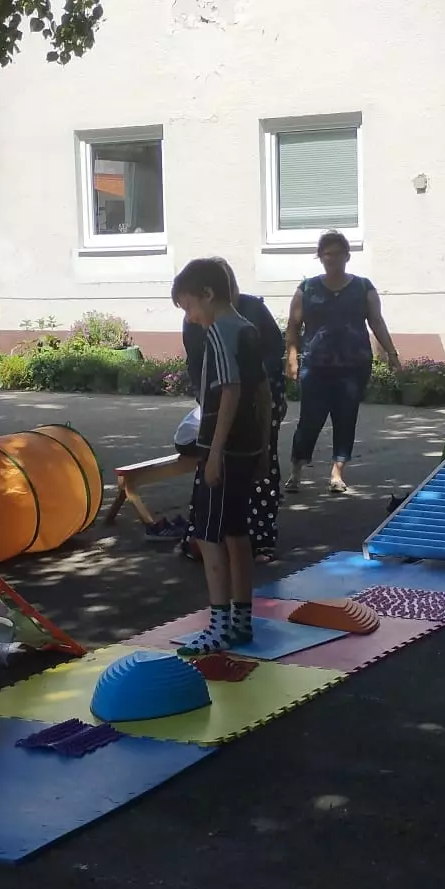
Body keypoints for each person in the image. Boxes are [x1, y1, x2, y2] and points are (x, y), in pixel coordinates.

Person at [171, 257, 271, 654]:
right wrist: (264, 447)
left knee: (208, 535)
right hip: (246, 447)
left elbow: (231, 391)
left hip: (224, 449)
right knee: (236, 532)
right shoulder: (247, 328)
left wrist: (213, 454)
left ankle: (218, 626)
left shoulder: (219, 331)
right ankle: (241, 622)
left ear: (208, 294)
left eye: (189, 307)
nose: (191, 318)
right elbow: (263, 392)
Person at [179, 257, 288, 563]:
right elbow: (196, 360)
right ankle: (204, 535)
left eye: (189, 308)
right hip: (221, 410)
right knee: (213, 482)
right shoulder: (203, 322)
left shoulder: (244, 318)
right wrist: (205, 397)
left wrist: (257, 404)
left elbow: (255, 374)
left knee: (254, 474)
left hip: (248, 413)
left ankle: (260, 538)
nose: (190, 317)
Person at [285, 230, 399, 494]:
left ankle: (337, 474)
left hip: (353, 366)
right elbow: (293, 324)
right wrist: (291, 357)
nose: (332, 259)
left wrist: (392, 354)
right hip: (316, 366)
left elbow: (377, 322)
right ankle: (296, 472)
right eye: (327, 254)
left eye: (337, 254)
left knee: (346, 418)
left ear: (347, 256)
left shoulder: (363, 287)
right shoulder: (307, 289)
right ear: (320, 257)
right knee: (309, 420)